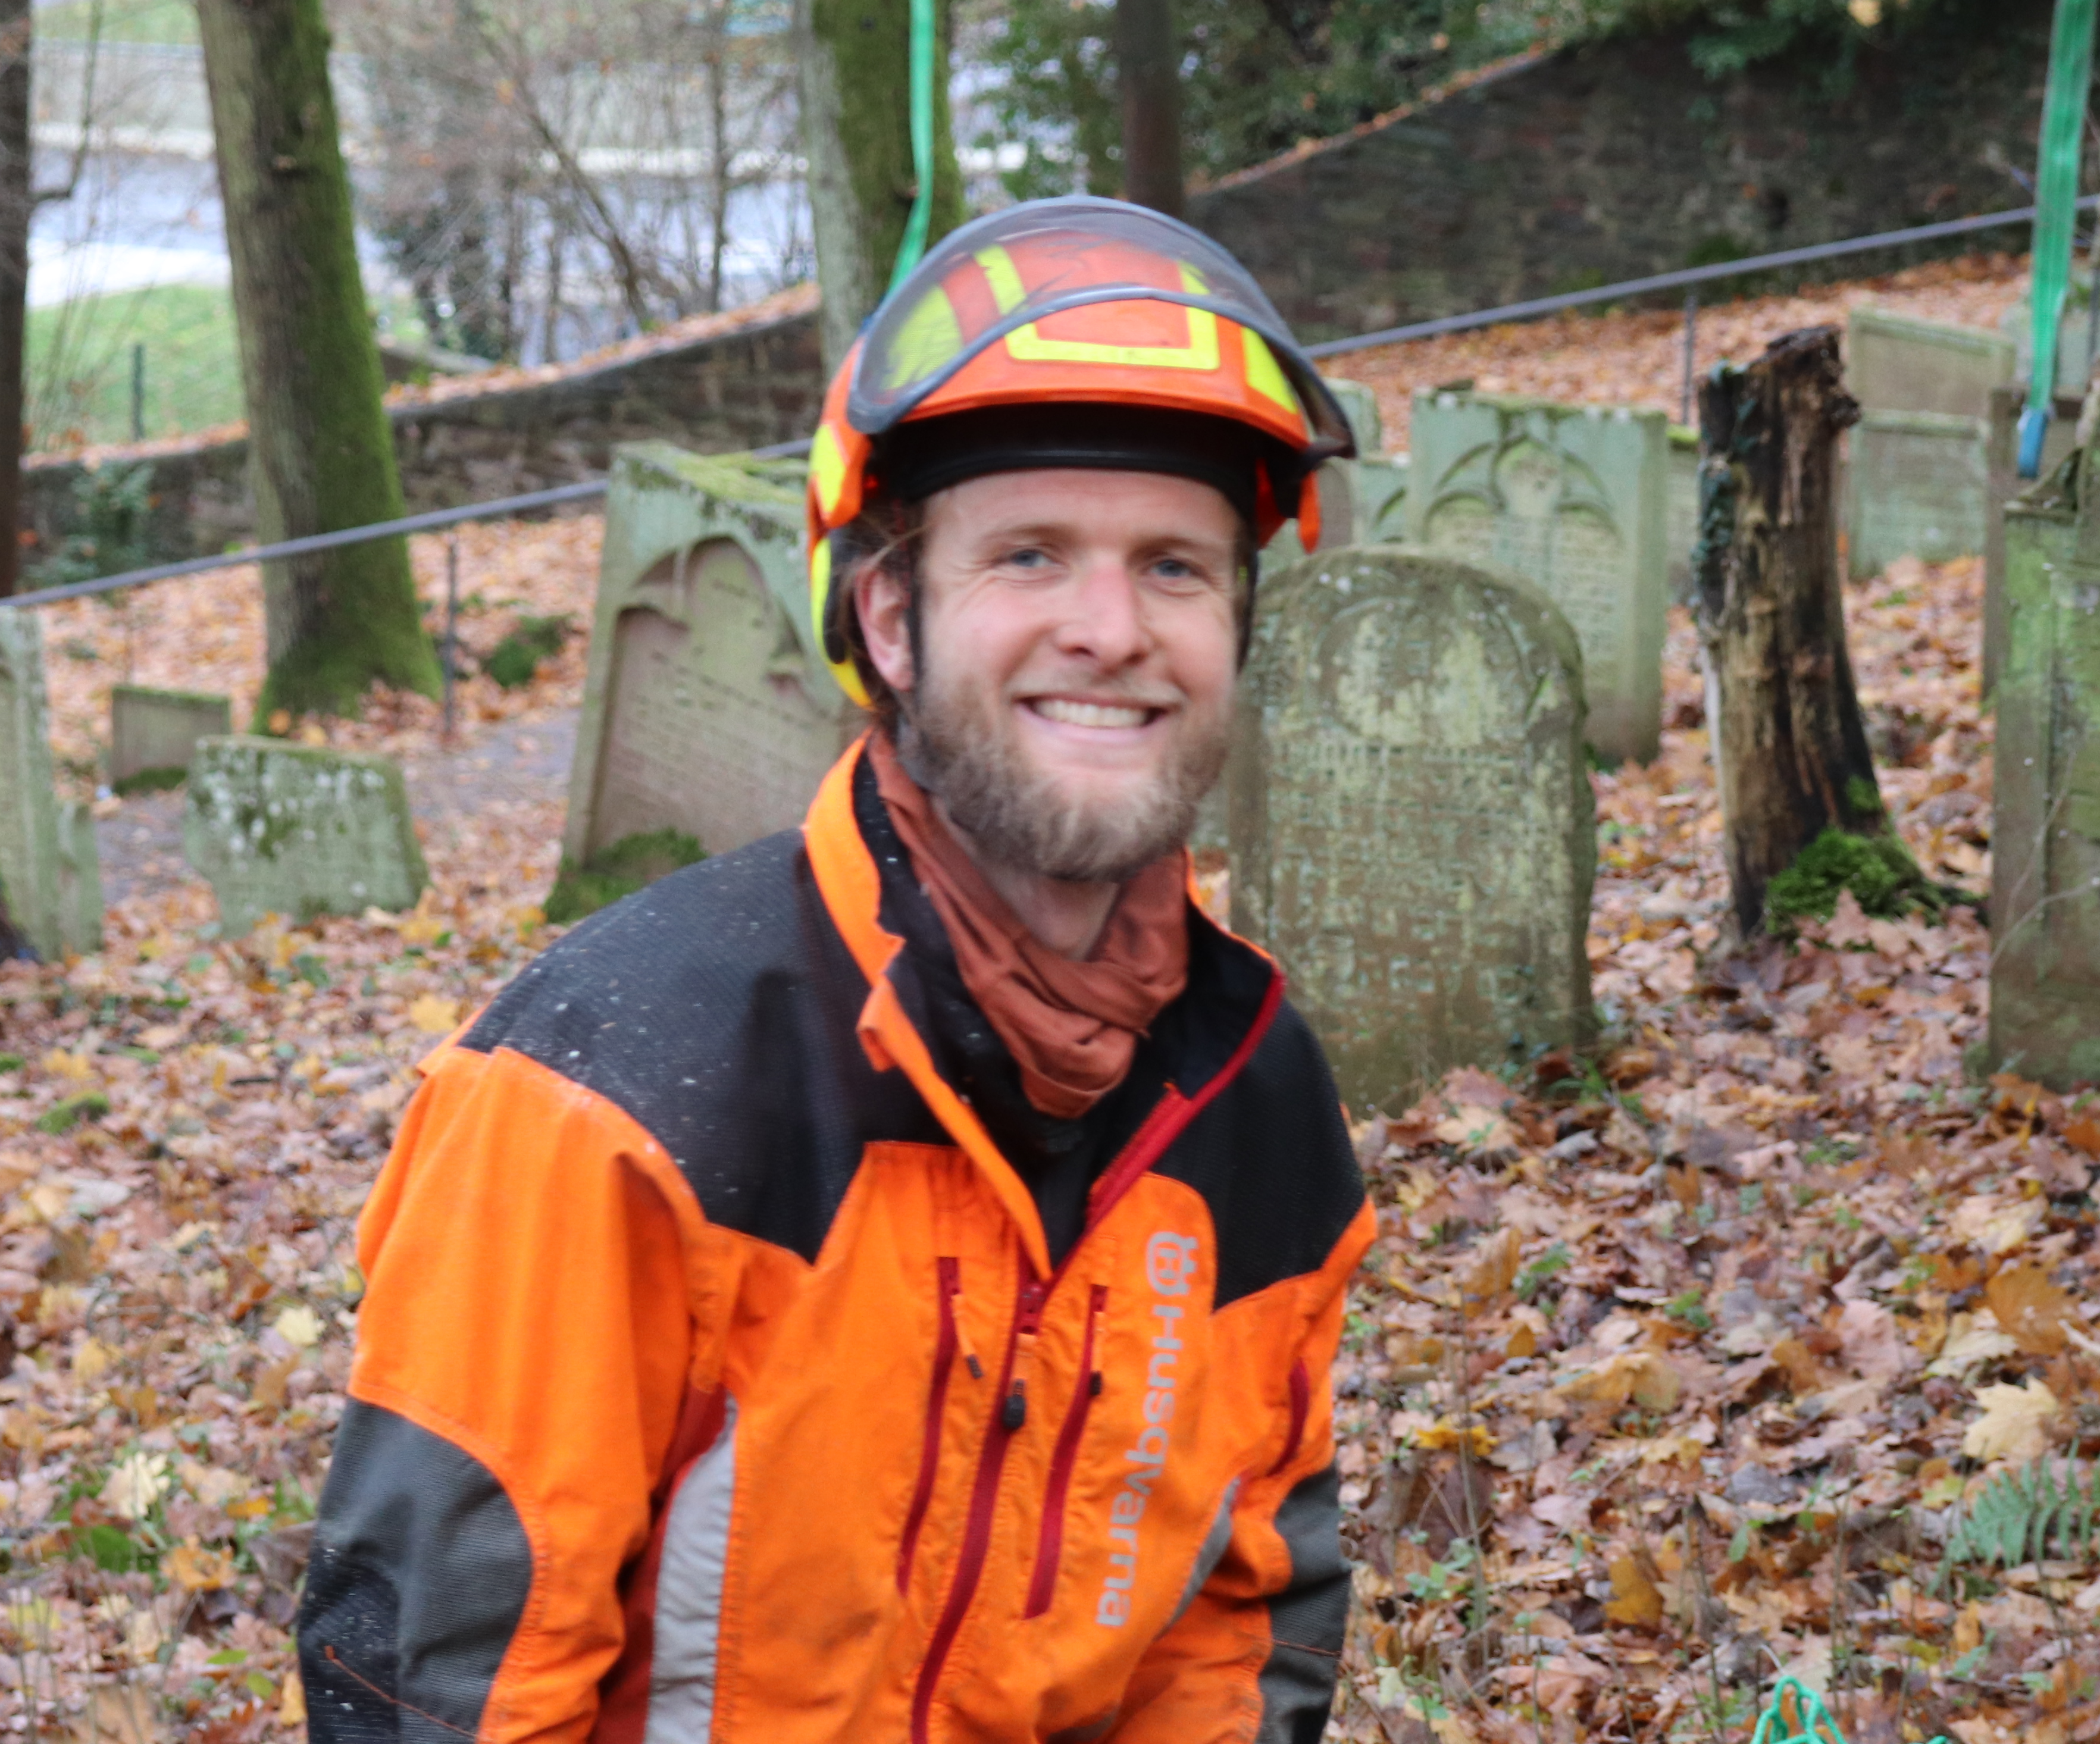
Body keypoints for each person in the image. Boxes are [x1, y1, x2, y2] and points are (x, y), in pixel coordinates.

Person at [295, 199, 1374, 1743]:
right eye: (1029, 556)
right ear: (893, 617)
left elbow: (1235, 1643)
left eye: (1178, 569)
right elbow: (437, 1694)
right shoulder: (603, 1092)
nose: (1111, 629)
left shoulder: (1259, 1102)